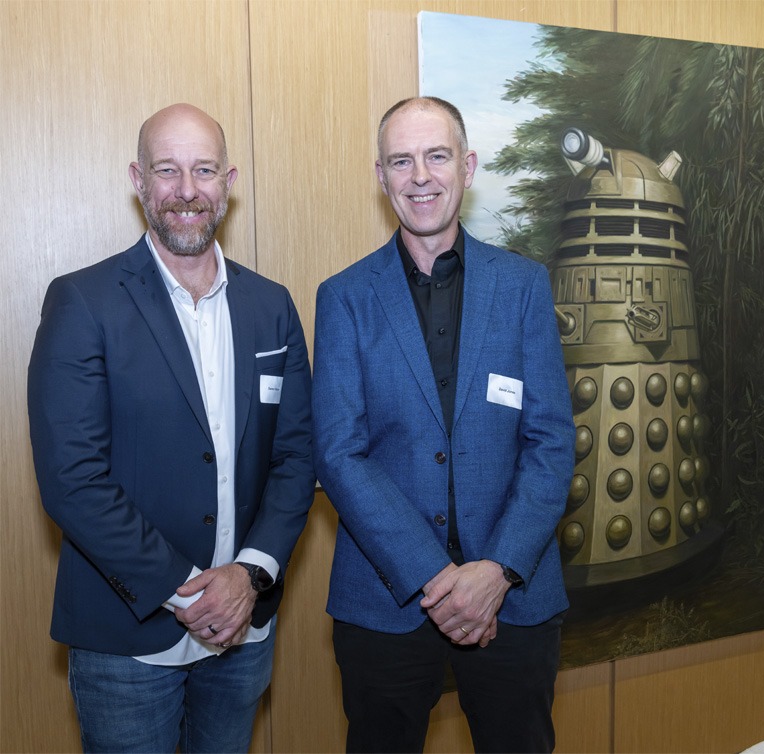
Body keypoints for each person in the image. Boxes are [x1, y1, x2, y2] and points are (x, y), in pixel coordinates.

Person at [28, 103, 315, 753]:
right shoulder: (82, 302)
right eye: (167, 170)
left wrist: (248, 576)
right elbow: (72, 480)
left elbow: (297, 457)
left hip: (244, 631)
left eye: (204, 170)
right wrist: (186, 592)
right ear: (138, 179)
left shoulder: (271, 307)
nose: (187, 191)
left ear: (228, 181)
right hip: (126, 638)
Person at [312, 96, 576, 754]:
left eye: (437, 156)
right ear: (381, 176)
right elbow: (340, 455)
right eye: (402, 160)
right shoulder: (343, 297)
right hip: (386, 600)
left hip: (512, 597)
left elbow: (551, 444)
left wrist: (494, 573)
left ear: (468, 165)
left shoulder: (524, 287)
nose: (420, 176)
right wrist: (437, 579)